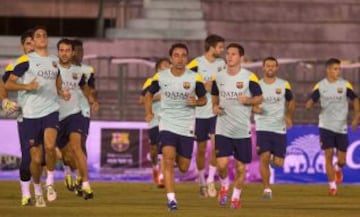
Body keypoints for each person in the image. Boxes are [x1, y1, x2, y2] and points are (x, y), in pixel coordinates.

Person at [5, 26, 70, 207]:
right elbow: (9, 84)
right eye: (38, 36)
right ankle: (36, 189)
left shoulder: (54, 61)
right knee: (34, 159)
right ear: (32, 41)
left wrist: (62, 92)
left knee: (50, 147)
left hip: (51, 110)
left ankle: (50, 181)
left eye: (44, 35)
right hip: (30, 114)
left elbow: (58, 80)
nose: (42, 38)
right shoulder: (25, 61)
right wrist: (27, 87)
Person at [144, 43, 207, 211]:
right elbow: (148, 94)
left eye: (183, 55)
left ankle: (176, 159)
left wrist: (197, 101)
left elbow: (204, 99)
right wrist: (149, 112)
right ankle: (171, 199)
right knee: (168, 157)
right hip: (167, 123)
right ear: (171, 58)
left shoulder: (194, 78)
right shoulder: (161, 76)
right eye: (176, 55)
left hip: (187, 125)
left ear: (187, 58)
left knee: (184, 167)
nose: (180, 58)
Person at [211, 43, 263, 209]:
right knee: (222, 165)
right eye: (228, 53)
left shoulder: (249, 77)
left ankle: (235, 198)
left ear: (241, 58)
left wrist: (248, 100)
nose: (229, 56)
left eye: (233, 54)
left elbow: (259, 98)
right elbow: (214, 95)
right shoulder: (218, 77)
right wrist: (214, 106)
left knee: (241, 169)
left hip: (242, 131)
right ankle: (225, 186)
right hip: (223, 129)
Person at [305, 58, 359, 196]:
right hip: (325, 126)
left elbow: (355, 99)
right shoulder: (320, 86)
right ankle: (332, 186)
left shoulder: (345, 85)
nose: (338, 71)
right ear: (328, 70)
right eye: (335, 69)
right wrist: (309, 104)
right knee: (328, 155)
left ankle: (337, 168)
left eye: (339, 69)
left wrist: (356, 116)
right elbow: (312, 99)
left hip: (341, 127)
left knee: (342, 160)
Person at [187, 34, 225, 197]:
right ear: (211, 47)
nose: (222, 50)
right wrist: (202, 86)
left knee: (216, 147)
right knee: (201, 149)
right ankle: (201, 180)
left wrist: (216, 88)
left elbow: (227, 82)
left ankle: (210, 180)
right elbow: (185, 83)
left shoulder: (222, 64)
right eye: (220, 47)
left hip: (215, 111)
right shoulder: (196, 63)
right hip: (199, 113)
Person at [56, 38, 95, 199]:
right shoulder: (52, 68)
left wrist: (92, 99)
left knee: (78, 146)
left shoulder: (81, 71)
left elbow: (85, 86)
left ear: (72, 52)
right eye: (62, 50)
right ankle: (68, 171)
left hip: (76, 113)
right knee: (67, 156)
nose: (65, 53)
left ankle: (85, 184)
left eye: (68, 50)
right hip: (56, 116)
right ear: (58, 52)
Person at [253, 57, 295, 199]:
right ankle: (267, 190)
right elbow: (249, 102)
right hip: (263, 127)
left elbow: (291, 101)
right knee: (264, 157)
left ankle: (274, 158)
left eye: (273, 66)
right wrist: (254, 108)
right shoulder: (256, 85)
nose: (270, 68)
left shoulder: (284, 85)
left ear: (277, 68)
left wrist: (288, 115)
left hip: (279, 128)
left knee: (278, 163)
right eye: (268, 66)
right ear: (263, 68)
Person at [1, 29, 34, 206]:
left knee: (45, 155)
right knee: (28, 158)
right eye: (28, 43)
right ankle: (26, 194)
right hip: (26, 117)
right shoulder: (17, 65)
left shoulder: (48, 65)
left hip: (48, 115)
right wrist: (5, 100)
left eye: (33, 43)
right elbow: (3, 83)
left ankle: (46, 185)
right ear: (22, 46)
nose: (31, 46)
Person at [71, 39, 99, 196]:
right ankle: (69, 171)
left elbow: (92, 88)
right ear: (71, 51)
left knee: (81, 143)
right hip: (65, 111)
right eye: (77, 51)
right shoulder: (61, 69)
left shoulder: (88, 70)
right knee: (66, 147)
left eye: (82, 51)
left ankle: (80, 177)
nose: (81, 54)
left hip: (83, 111)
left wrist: (93, 98)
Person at [140, 58, 170, 187]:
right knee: (154, 149)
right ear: (158, 69)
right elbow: (141, 100)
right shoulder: (151, 82)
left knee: (165, 148)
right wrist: (158, 97)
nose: (167, 68)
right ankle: (154, 167)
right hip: (154, 119)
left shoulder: (174, 82)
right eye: (164, 66)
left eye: (169, 66)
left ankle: (162, 176)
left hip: (168, 120)